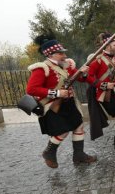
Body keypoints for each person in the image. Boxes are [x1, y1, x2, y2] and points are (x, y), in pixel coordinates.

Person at [26, 35, 97, 168]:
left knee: (78, 126)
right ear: (51, 54)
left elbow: (80, 79)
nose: (64, 55)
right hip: (52, 105)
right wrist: (57, 93)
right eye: (60, 53)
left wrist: (84, 73)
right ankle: (49, 152)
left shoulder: (66, 65)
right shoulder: (42, 68)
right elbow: (31, 89)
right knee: (62, 131)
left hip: (68, 103)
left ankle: (79, 155)